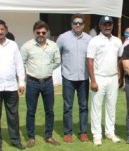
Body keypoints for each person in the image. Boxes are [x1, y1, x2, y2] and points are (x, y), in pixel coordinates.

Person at [0, 19, 25, 151]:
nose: (0, 32)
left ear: (6, 30)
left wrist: (21, 82)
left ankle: (15, 140)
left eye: (2, 29)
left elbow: (19, 64)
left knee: (13, 115)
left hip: (11, 86)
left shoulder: (13, 45)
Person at [20, 20, 61, 148]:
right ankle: (31, 137)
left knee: (49, 111)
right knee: (31, 111)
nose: (41, 34)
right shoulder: (27, 46)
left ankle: (48, 136)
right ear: (34, 32)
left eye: (43, 32)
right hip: (32, 82)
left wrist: (47, 68)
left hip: (48, 82)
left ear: (47, 32)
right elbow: (21, 63)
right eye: (38, 32)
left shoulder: (53, 46)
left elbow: (57, 61)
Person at [87, 15, 123, 146]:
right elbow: (89, 61)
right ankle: (97, 135)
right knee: (96, 108)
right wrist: (93, 80)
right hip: (99, 77)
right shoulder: (94, 41)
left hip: (113, 77)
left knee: (111, 107)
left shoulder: (118, 41)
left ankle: (110, 132)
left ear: (112, 25)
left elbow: (120, 60)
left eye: (109, 24)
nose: (107, 27)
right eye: (105, 24)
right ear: (100, 26)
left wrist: (121, 76)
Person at [56, 13, 92, 143]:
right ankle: (68, 133)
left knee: (83, 106)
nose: (77, 25)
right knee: (68, 106)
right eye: (75, 23)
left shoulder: (89, 39)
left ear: (83, 25)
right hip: (68, 77)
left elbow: (92, 58)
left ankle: (83, 132)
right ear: (71, 24)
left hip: (83, 78)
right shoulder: (63, 38)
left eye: (80, 23)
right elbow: (56, 54)